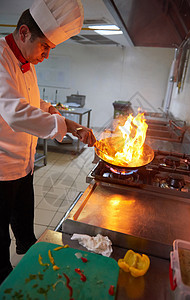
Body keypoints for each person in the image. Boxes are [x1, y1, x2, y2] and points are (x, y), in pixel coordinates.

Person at [0, 0, 96, 284]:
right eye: (45, 47)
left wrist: (66, 120)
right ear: (24, 33)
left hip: (23, 168)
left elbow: (34, 103)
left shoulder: (26, 62)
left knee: (26, 234)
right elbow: (15, 113)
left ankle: (33, 269)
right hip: (1, 169)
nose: (47, 55)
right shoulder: (1, 58)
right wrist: (65, 125)